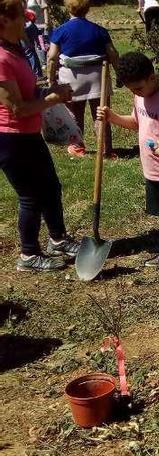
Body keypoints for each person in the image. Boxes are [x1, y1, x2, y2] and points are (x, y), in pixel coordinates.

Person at [0, 0, 80, 271]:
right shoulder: (0, 58)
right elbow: (17, 108)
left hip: (29, 133)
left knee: (50, 187)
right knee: (30, 195)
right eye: (22, 16)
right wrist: (51, 99)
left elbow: (28, 94)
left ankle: (58, 239)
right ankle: (28, 255)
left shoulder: (15, 49)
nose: (27, 21)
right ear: (6, 21)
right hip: (11, 138)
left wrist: (48, 93)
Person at [97, 52, 159, 267]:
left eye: (138, 88)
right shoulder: (140, 97)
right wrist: (113, 117)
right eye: (132, 90)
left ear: (152, 78)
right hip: (152, 171)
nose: (136, 92)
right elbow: (137, 123)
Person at [47, 0, 119, 157]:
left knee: (75, 114)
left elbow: (52, 57)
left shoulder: (60, 31)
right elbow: (113, 53)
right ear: (87, 8)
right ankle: (105, 150)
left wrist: (51, 79)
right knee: (101, 114)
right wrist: (119, 73)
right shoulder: (99, 30)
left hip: (72, 79)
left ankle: (77, 147)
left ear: (68, 8)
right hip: (98, 77)